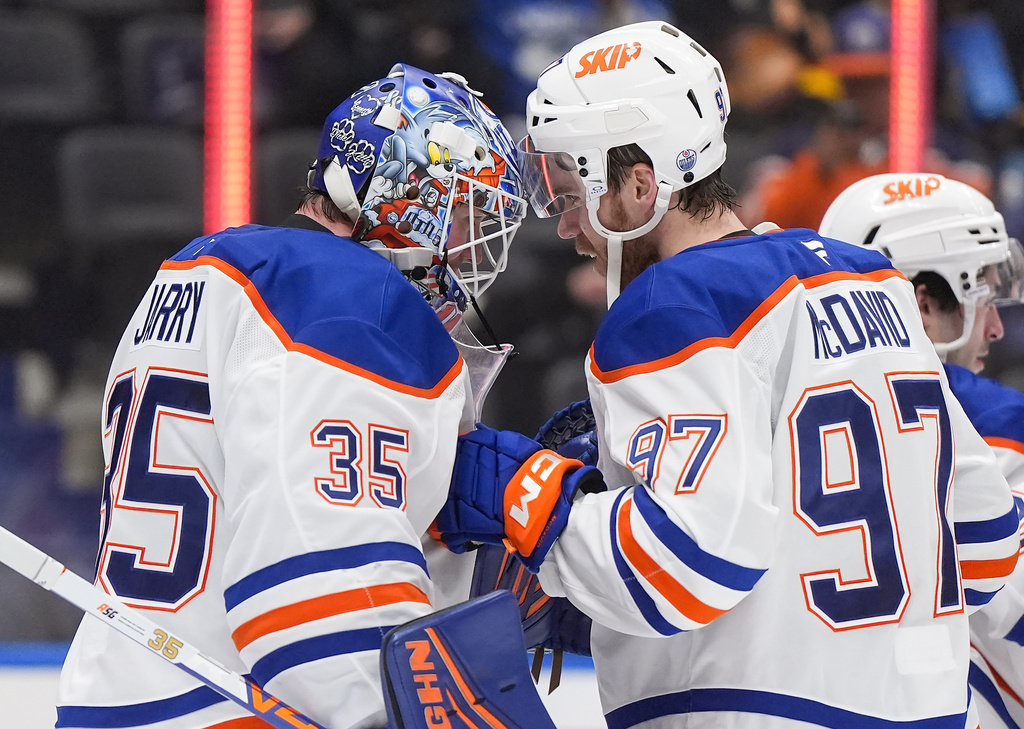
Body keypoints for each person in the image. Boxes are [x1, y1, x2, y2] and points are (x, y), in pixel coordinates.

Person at [433, 20, 1022, 728]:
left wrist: (519, 490)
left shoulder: (675, 304)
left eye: (570, 195)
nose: (566, 227)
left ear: (641, 185)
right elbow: (986, 545)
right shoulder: (872, 279)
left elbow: (686, 564)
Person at [54, 63, 526, 729]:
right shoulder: (350, 300)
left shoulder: (200, 267)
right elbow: (315, 588)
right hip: (235, 706)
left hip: (119, 690)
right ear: (405, 198)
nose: (472, 246)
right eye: (467, 213)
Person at [819, 173, 1024, 729]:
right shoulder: (995, 425)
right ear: (921, 304)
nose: (998, 326)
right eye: (981, 292)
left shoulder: (780, 415)